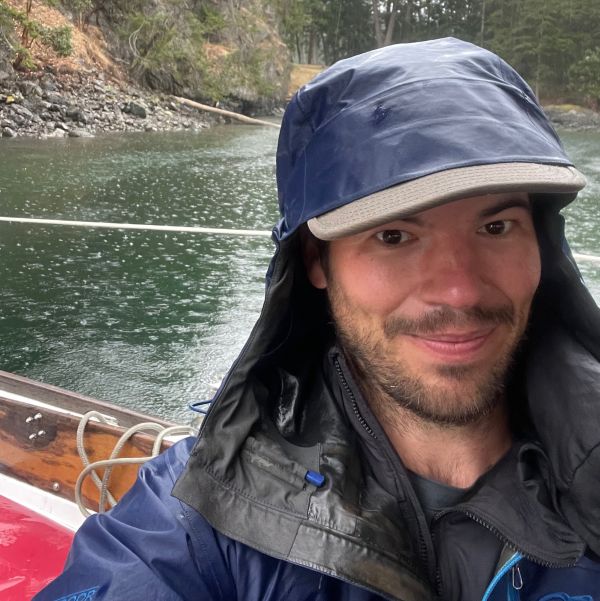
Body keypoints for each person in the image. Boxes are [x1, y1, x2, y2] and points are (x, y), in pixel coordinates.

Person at [35, 37, 600, 601]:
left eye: (496, 227)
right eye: (394, 236)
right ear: (315, 261)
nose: (459, 289)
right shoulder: (201, 515)